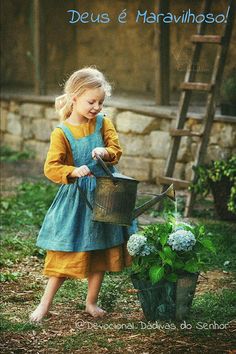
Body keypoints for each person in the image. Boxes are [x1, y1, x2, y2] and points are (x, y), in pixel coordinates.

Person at [29, 67, 137, 323]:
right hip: (77, 200)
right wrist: (73, 170)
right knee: (65, 251)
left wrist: (105, 152)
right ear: (74, 97)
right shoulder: (62, 132)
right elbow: (51, 168)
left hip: (105, 194)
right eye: (91, 101)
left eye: (101, 102)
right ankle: (44, 305)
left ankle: (91, 302)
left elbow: (116, 150)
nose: (97, 107)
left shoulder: (103, 123)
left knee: (100, 246)